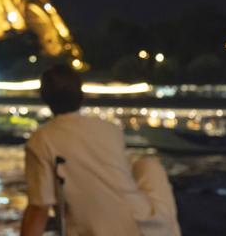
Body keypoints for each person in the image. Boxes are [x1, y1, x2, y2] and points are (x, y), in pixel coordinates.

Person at [21, 64, 181, 236]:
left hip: (91, 230)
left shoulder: (42, 139)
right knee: (147, 165)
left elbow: (39, 208)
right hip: (143, 225)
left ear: (45, 98)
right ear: (81, 96)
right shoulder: (110, 129)